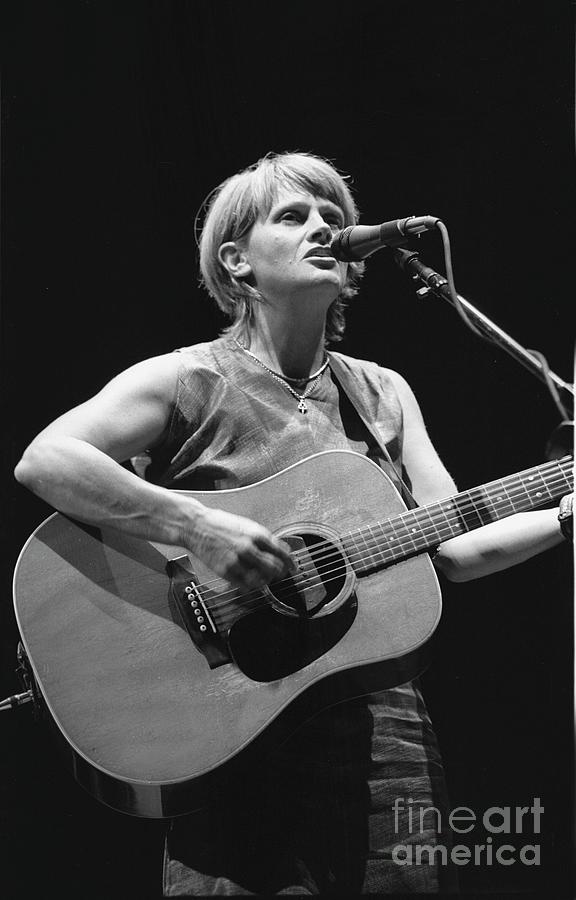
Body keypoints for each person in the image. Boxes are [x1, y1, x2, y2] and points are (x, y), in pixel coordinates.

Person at [14, 151, 572, 895]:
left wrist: (566, 516)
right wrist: (194, 527)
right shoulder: (187, 379)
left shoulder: (382, 393)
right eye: (294, 215)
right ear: (236, 260)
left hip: (381, 730)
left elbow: (454, 546)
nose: (325, 229)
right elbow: (47, 459)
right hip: (230, 727)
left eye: (334, 218)